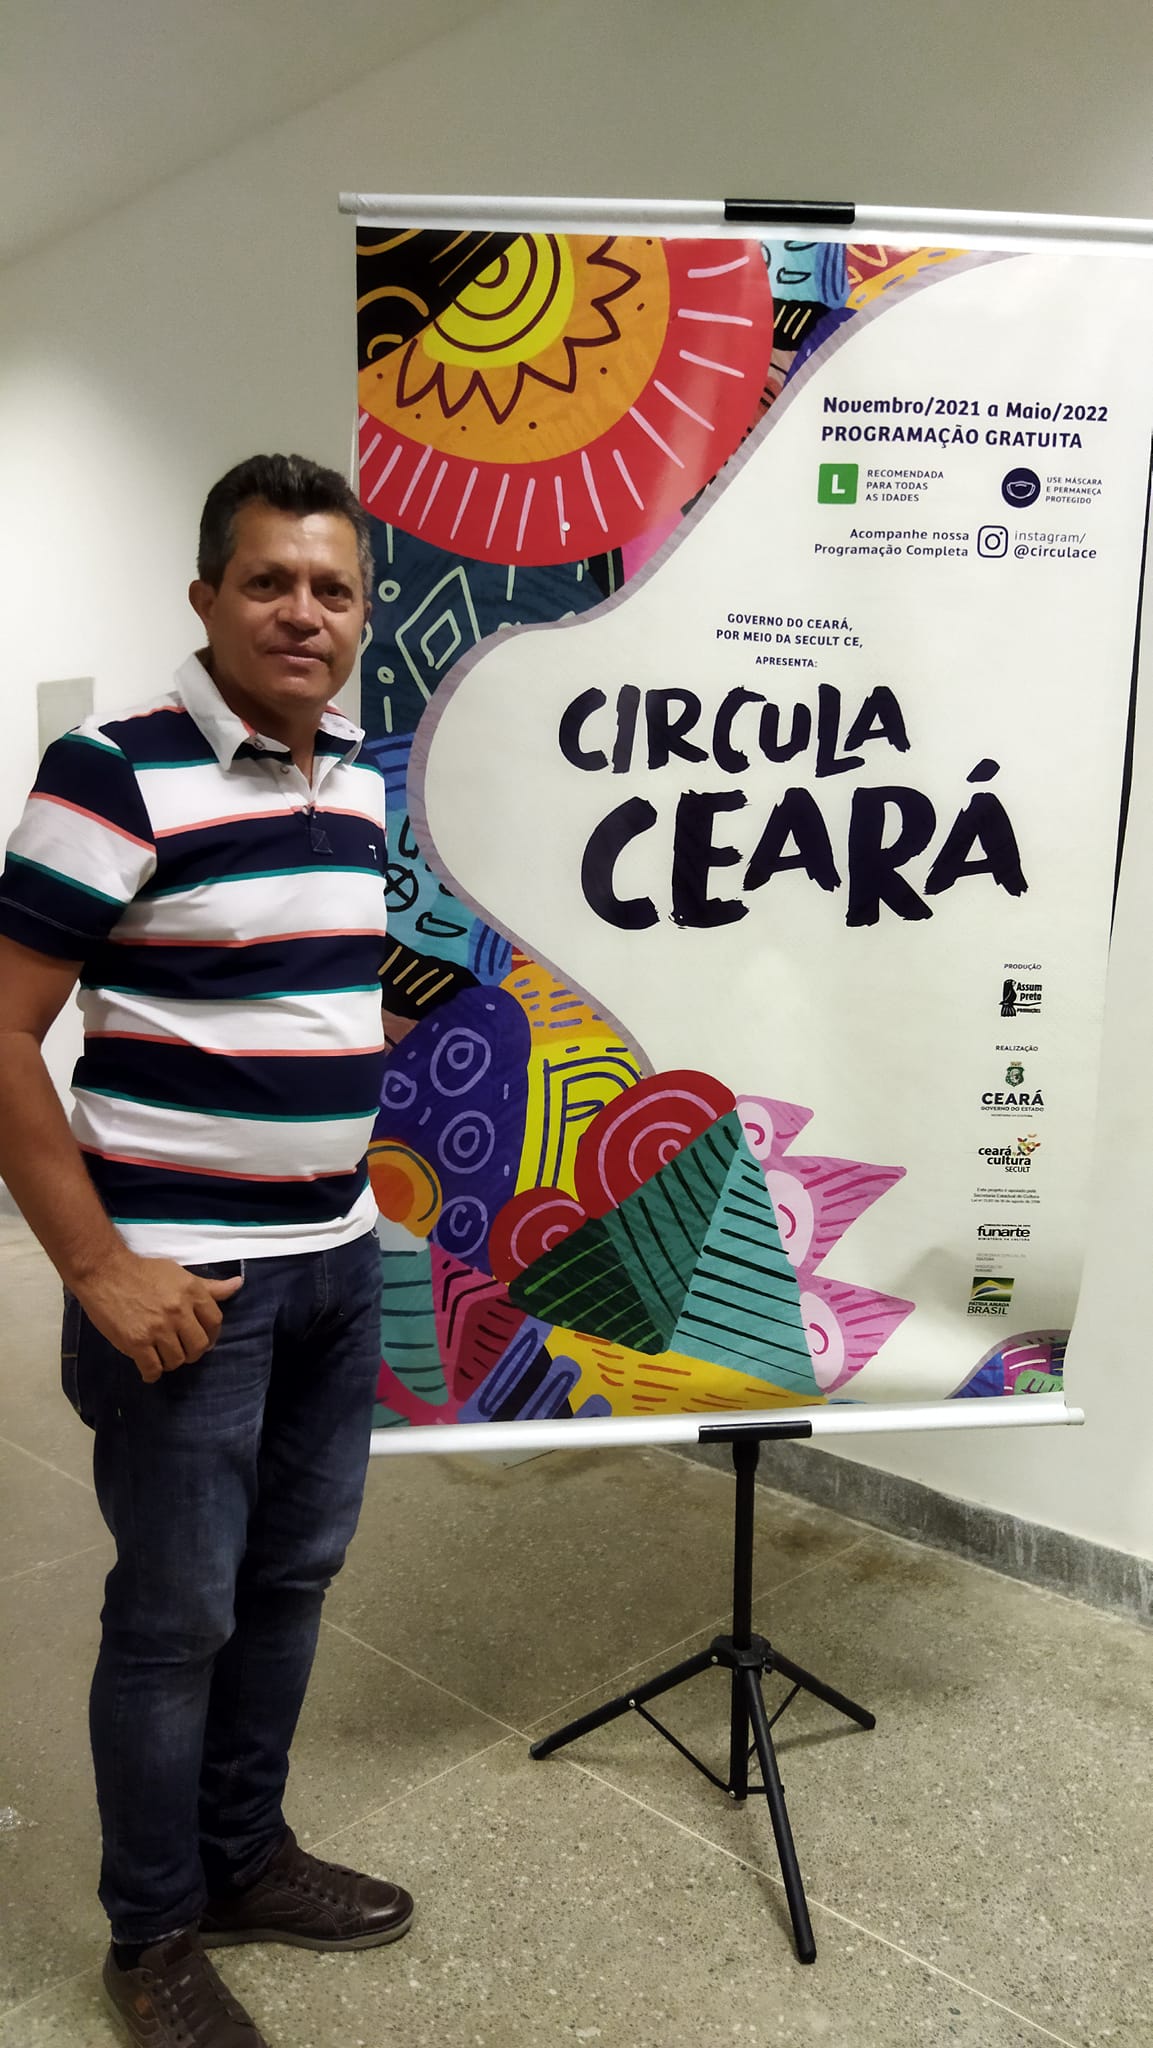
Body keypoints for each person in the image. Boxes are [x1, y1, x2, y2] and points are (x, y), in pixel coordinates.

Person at [0, 454, 411, 2048]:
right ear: (206, 598)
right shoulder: (113, 773)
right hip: (184, 1285)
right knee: (175, 1621)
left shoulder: (359, 779)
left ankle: (242, 1859)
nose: (302, 613)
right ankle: (153, 1931)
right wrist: (97, 1268)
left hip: (336, 1258)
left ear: (361, 617)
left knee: (290, 1581)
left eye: (332, 589)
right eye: (268, 581)